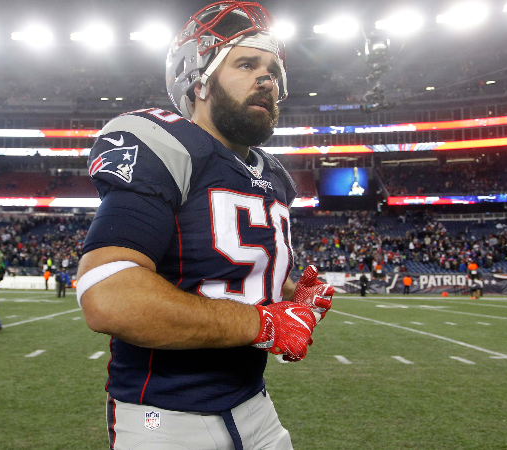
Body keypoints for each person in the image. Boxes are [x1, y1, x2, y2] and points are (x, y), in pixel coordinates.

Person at [77, 3, 334, 449]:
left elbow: (221, 273)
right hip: (164, 418)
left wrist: (293, 298)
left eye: (272, 69)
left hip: (256, 406)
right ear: (198, 80)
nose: (266, 79)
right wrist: (264, 325)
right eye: (246, 63)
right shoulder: (164, 146)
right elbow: (108, 294)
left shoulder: (273, 177)